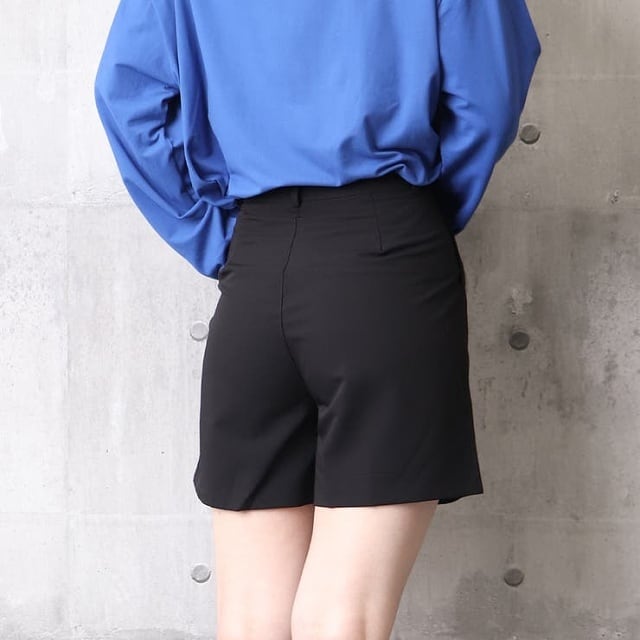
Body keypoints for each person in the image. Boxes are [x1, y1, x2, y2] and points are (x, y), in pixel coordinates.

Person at [94, 1, 541, 638]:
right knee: (343, 618)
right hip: (387, 259)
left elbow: (127, 96)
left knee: (251, 620)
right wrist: (415, 217)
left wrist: (213, 236)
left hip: (256, 268)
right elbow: (488, 94)